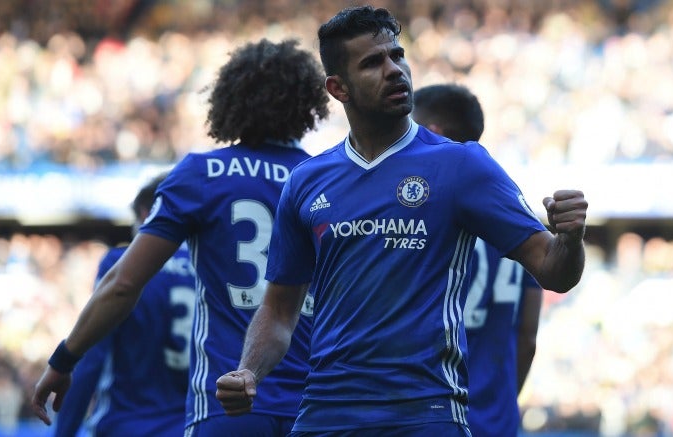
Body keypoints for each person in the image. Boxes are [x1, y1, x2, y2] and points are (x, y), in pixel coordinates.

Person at [215, 5, 586, 436]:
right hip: (325, 413)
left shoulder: (460, 165)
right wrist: (249, 372)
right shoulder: (307, 181)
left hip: (425, 413)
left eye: (398, 55)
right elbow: (279, 312)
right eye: (373, 63)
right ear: (339, 88)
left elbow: (554, 271)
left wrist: (570, 238)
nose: (394, 70)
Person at [31, 38, 330, 437]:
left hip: (228, 406)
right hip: (315, 407)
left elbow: (122, 285)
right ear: (306, 103)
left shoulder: (203, 174)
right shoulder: (324, 179)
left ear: (228, 99)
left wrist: (62, 360)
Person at [413, 83, 544, 437]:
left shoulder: (421, 217)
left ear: (431, 131)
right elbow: (527, 338)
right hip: (496, 421)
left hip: (431, 419)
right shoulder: (516, 218)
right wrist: (501, 405)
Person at [53, 172, 196, 437]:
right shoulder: (207, 269)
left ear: (145, 213)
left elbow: (92, 357)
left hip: (126, 424)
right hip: (193, 427)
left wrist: (65, 431)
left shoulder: (120, 266)